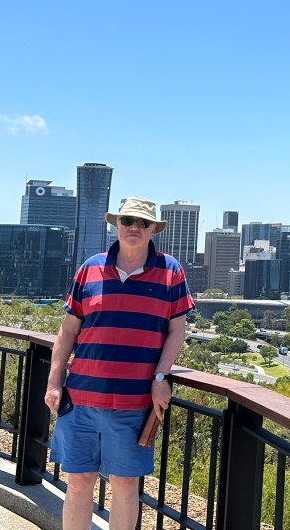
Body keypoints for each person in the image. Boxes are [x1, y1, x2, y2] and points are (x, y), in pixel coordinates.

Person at [45, 196, 194, 530]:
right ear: (116, 225)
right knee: (78, 481)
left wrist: (160, 377)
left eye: (143, 222)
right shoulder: (90, 268)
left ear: (153, 229)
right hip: (80, 399)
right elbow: (68, 330)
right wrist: (54, 383)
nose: (134, 227)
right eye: (128, 220)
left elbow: (176, 331)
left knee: (125, 485)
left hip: (134, 403)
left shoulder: (171, 271)